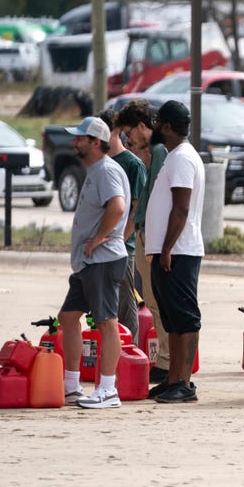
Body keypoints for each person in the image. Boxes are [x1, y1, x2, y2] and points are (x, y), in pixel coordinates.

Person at [57, 116, 130, 409]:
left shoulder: (106, 171)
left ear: (96, 143)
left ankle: (108, 390)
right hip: (89, 263)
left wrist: (100, 237)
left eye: (80, 138)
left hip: (103, 259)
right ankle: (71, 386)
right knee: (68, 317)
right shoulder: (96, 169)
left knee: (106, 322)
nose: (74, 142)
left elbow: (118, 205)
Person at [145, 101, 206, 404]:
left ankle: (184, 382)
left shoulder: (182, 158)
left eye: (157, 121)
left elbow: (181, 208)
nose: (154, 127)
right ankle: (172, 381)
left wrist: (167, 248)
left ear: (167, 127)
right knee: (170, 319)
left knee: (184, 319)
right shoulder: (174, 157)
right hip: (168, 250)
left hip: (179, 250)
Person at [121, 100, 171, 383]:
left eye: (130, 132)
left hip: (151, 236)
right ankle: (165, 358)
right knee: (152, 301)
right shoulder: (152, 152)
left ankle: (166, 361)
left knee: (158, 302)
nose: (129, 140)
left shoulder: (160, 151)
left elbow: (160, 198)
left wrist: (155, 242)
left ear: (143, 126)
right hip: (145, 233)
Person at [103, 109, 145, 341]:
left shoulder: (132, 164)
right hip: (102, 245)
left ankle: (131, 355)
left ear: (116, 131)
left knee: (125, 306)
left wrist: (121, 239)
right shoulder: (102, 162)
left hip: (122, 247)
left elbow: (136, 208)